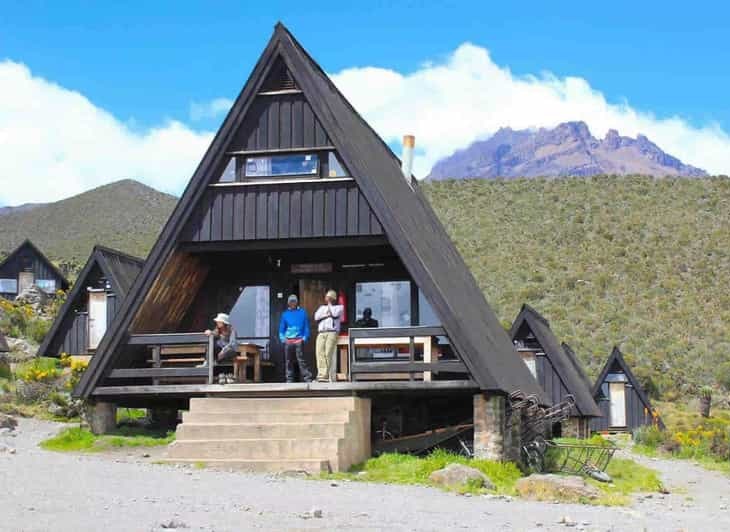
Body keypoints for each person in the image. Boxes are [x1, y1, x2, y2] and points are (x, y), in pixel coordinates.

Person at [279, 294, 312, 383]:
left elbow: (306, 327)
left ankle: (307, 378)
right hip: (288, 340)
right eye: (291, 301)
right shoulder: (285, 314)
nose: (292, 303)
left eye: (294, 301)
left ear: (297, 302)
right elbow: (281, 329)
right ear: (288, 303)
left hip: (298, 339)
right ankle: (289, 379)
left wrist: (304, 338)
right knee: (288, 361)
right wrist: (283, 339)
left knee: (301, 360)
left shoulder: (302, 312)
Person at [314, 289, 344, 382]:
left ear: (333, 298)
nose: (327, 298)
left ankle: (327, 375)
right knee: (319, 353)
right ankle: (322, 375)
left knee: (328, 353)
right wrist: (326, 315)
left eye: (329, 297)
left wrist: (329, 308)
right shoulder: (322, 307)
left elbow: (334, 314)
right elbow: (316, 316)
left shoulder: (339, 307)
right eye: (327, 297)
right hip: (321, 332)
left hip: (332, 332)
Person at [201, 313, 238, 384]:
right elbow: (212, 334)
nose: (217, 323)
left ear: (223, 323)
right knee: (212, 345)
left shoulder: (232, 330)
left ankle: (227, 375)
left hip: (229, 351)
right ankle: (220, 374)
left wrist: (223, 351)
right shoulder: (217, 330)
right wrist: (209, 332)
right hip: (220, 352)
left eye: (219, 321)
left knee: (227, 353)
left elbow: (232, 344)